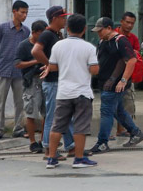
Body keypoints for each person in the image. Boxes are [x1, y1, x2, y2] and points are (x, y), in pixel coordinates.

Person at [44, 14, 99, 169]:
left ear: (67, 29)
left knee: (57, 125)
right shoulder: (89, 48)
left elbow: (52, 67)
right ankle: (79, 159)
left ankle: (51, 158)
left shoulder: (58, 46)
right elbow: (94, 70)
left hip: (63, 92)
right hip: (82, 92)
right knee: (80, 126)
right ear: (84, 29)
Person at [90, 17, 143, 154]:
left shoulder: (120, 41)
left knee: (106, 112)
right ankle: (136, 133)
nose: (98, 33)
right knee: (117, 110)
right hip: (105, 83)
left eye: (100, 30)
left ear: (109, 28)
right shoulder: (103, 41)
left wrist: (122, 80)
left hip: (115, 85)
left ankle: (102, 142)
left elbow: (131, 60)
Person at [32, 6, 76, 159]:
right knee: (53, 117)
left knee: (67, 114)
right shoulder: (47, 34)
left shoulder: (57, 35)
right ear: (55, 18)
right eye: (63, 17)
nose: (65, 20)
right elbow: (35, 51)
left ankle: (71, 147)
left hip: (60, 81)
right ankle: (48, 149)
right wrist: (50, 65)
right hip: (52, 83)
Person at [0, 0, 30, 141]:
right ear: (14, 11)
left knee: (20, 102)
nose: (24, 15)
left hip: (19, 71)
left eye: (26, 12)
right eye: (22, 12)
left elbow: (26, 50)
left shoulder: (26, 31)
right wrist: (3, 60)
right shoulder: (1, 28)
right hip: (3, 70)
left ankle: (18, 128)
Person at [14, 20, 47, 153]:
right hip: (31, 81)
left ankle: (43, 140)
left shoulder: (46, 43)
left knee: (47, 113)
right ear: (34, 33)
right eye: (41, 34)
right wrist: (36, 61)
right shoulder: (24, 45)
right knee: (31, 112)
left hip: (45, 79)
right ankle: (33, 142)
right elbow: (18, 64)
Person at [114, 12, 139, 139]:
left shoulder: (133, 38)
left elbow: (135, 56)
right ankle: (112, 131)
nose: (129, 25)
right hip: (113, 75)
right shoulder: (112, 35)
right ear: (121, 21)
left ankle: (122, 129)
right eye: (127, 22)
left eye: (132, 23)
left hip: (127, 76)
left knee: (127, 103)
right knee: (111, 104)